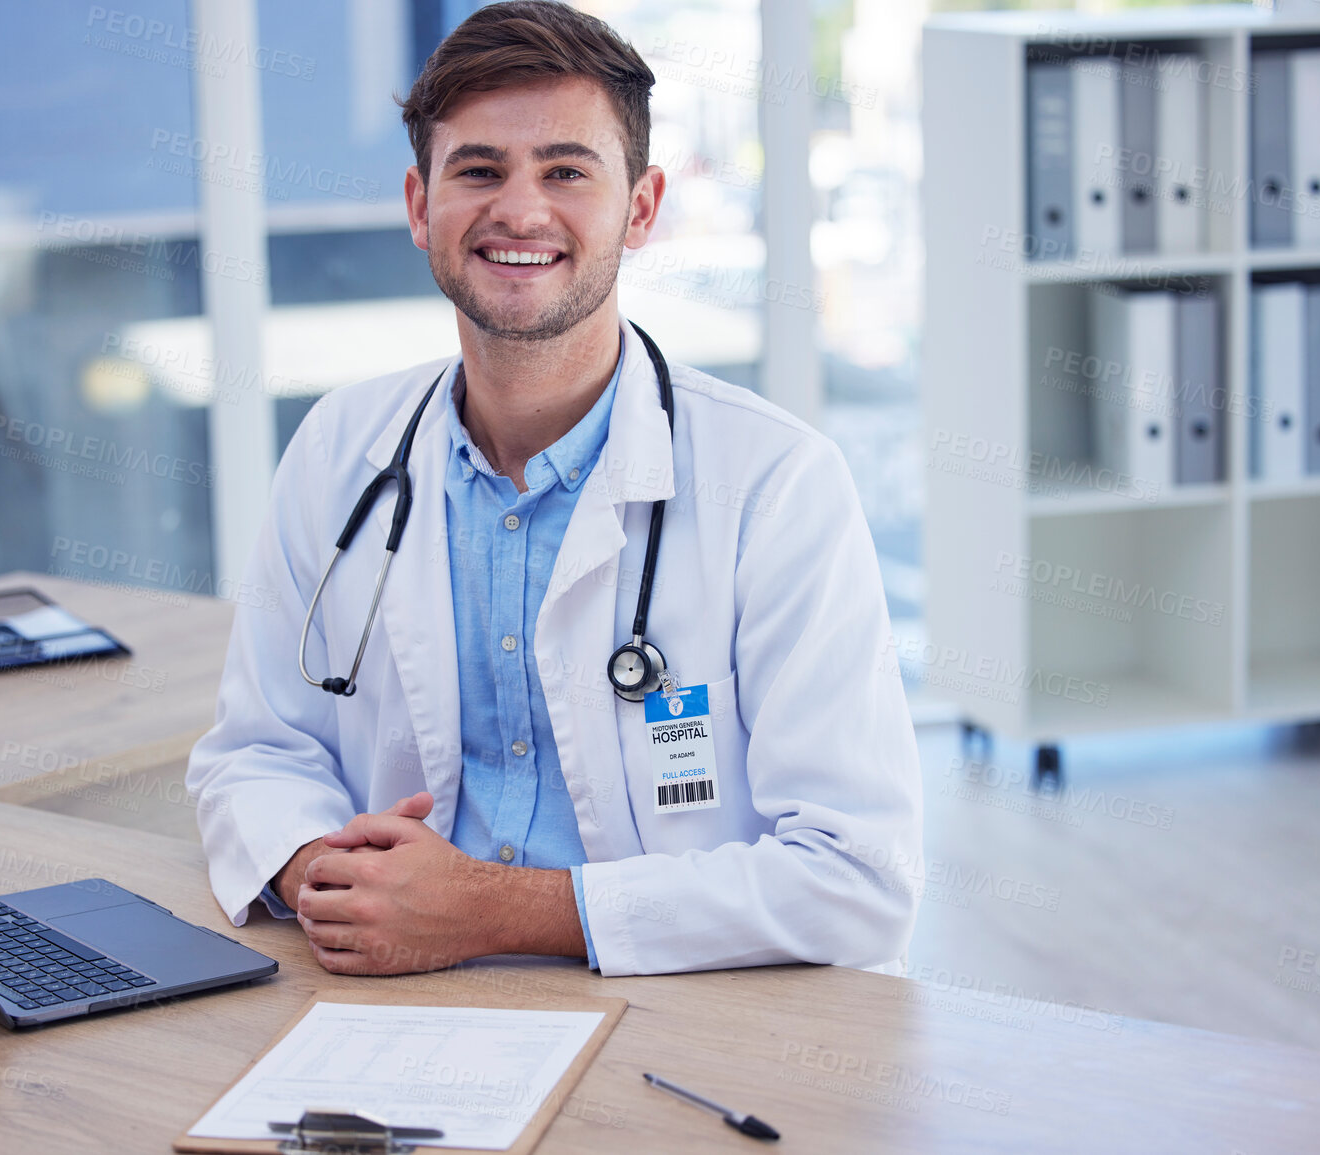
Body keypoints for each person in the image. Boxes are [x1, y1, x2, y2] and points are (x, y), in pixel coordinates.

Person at [186, 0, 921, 978]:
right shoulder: (339, 450)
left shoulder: (776, 483)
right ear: (419, 207)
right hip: (388, 993)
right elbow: (256, 752)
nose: (521, 210)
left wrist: (492, 911)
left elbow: (855, 877)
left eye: (566, 172)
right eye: (479, 170)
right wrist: (321, 869)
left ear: (642, 208)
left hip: (682, 1015)